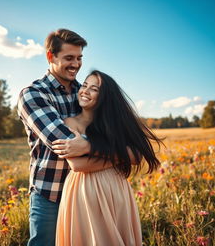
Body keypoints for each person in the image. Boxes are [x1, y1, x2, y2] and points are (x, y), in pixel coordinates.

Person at [52, 70, 163, 246]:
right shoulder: (70, 123)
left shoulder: (115, 125)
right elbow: (78, 164)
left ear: (105, 97)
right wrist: (121, 155)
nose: (85, 91)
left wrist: (89, 147)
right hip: (84, 192)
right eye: (84, 85)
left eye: (94, 89)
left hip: (116, 190)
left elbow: (137, 154)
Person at [17, 29, 106, 246]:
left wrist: (109, 146)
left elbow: (109, 128)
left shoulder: (84, 91)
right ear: (51, 56)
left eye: (79, 58)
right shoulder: (33, 94)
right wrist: (120, 152)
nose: (76, 64)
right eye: (69, 58)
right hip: (51, 193)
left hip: (87, 190)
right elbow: (65, 145)